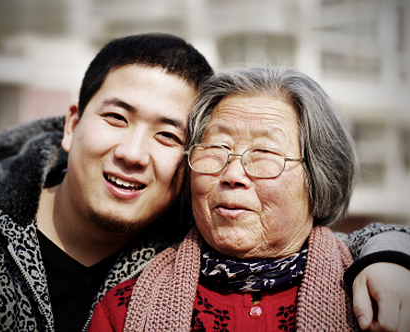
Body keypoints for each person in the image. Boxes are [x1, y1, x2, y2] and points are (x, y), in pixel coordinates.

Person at [0, 34, 409, 332]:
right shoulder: (131, 296)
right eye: (116, 117)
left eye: (169, 135)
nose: (132, 153)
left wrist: (392, 255)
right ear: (71, 124)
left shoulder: (373, 291)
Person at [87, 66, 410, 332]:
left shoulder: (382, 291)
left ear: (318, 176)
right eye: (216, 149)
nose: (233, 175)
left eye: (264, 154)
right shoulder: (126, 307)